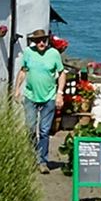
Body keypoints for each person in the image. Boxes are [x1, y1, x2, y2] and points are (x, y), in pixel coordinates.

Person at [18, 31, 66, 171]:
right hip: (31, 96)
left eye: (44, 40)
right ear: (34, 41)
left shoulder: (54, 54)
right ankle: (32, 156)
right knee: (30, 128)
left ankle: (42, 161)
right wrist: (16, 90)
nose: (41, 43)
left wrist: (60, 94)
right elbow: (23, 70)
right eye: (38, 40)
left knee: (44, 131)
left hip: (49, 97)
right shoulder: (28, 53)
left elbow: (61, 73)